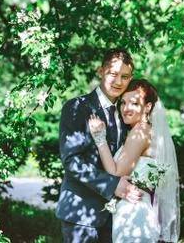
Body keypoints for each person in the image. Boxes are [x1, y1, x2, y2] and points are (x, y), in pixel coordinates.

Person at [56, 48, 143, 243]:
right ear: (100, 71)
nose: (119, 81)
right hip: (81, 215)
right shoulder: (77, 107)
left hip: (116, 216)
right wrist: (113, 185)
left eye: (125, 76)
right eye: (113, 74)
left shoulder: (124, 112)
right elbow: (72, 161)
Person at [89, 79, 180, 243]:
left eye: (134, 103)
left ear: (148, 107)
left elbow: (116, 173)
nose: (126, 108)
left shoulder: (141, 131)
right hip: (134, 209)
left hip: (134, 213)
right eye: (123, 103)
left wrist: (99, 138)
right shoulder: (146, 130)